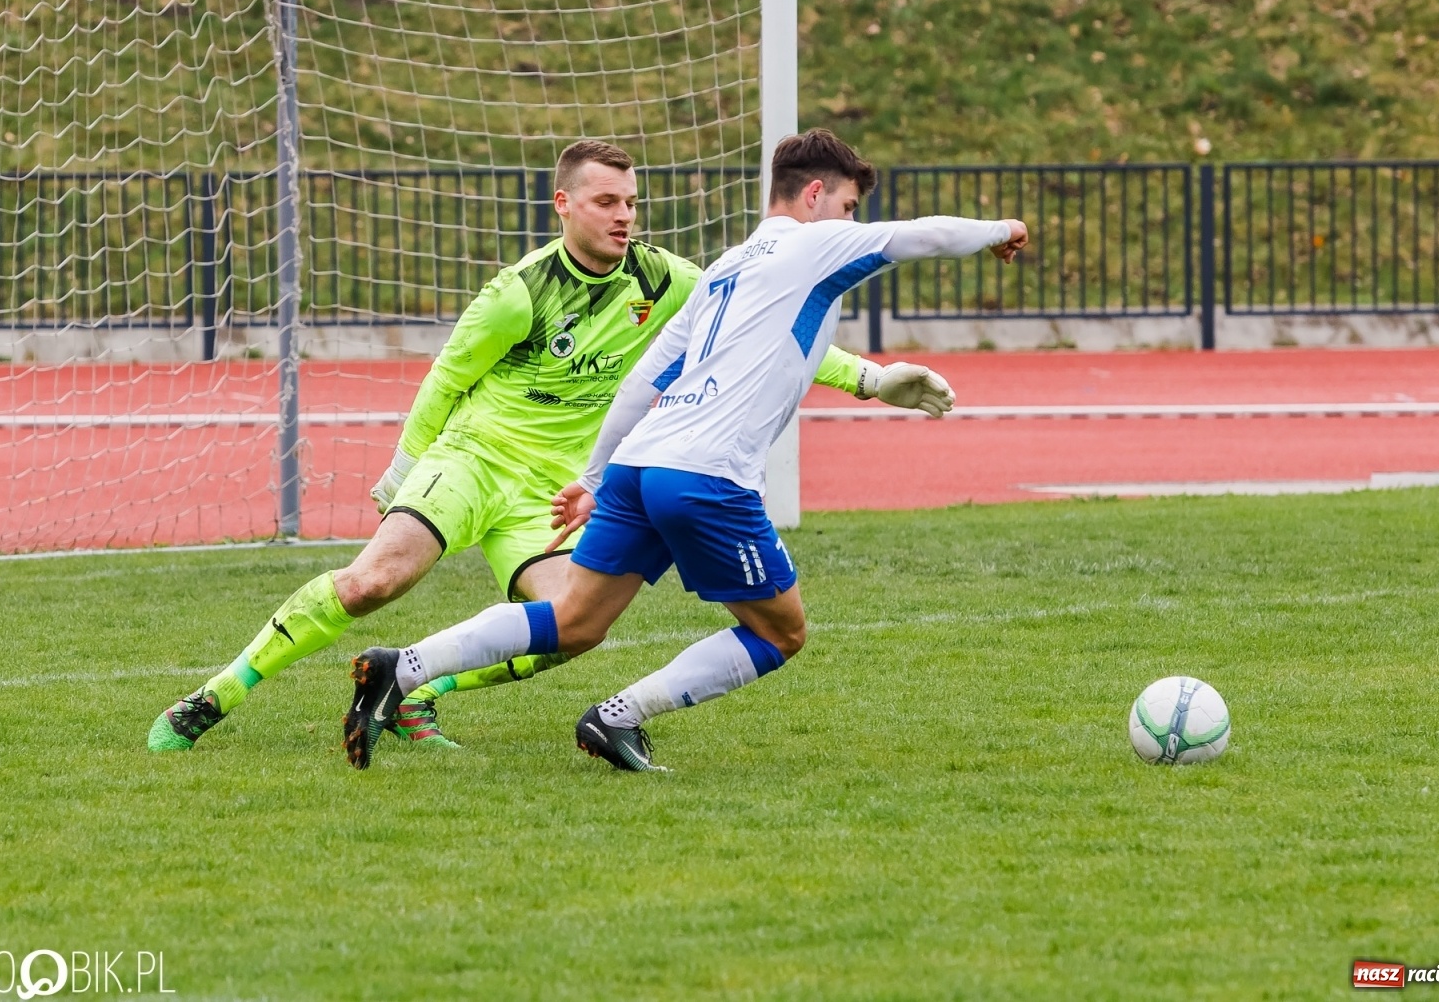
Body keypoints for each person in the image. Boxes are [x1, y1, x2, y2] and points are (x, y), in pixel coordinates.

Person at [148, 138, 956, 752]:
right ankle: (218, 694)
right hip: (472, 460)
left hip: (552, 491)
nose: (623, 216)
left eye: (630, 202)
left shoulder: (662, 277)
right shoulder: (518, 293)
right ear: (564, 206)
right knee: (371, 584)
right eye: (605, 201)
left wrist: (871, 380)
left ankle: (415, 693)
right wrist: (404, 468)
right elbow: (444, 377)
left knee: (575, 625)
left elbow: (749, 326)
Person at [340, 128, 1029, 770]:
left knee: (575, 620)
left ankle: (400, 668)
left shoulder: (728, 267)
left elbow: (645, 380)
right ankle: (619, 715)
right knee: (781, 632)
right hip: (707, 474)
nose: (852, 222)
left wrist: (596, 476)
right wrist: (1003, 231)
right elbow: (920, 236)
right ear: (814, 196)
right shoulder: (813, 244)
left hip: (642, 465)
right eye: (847, 206)